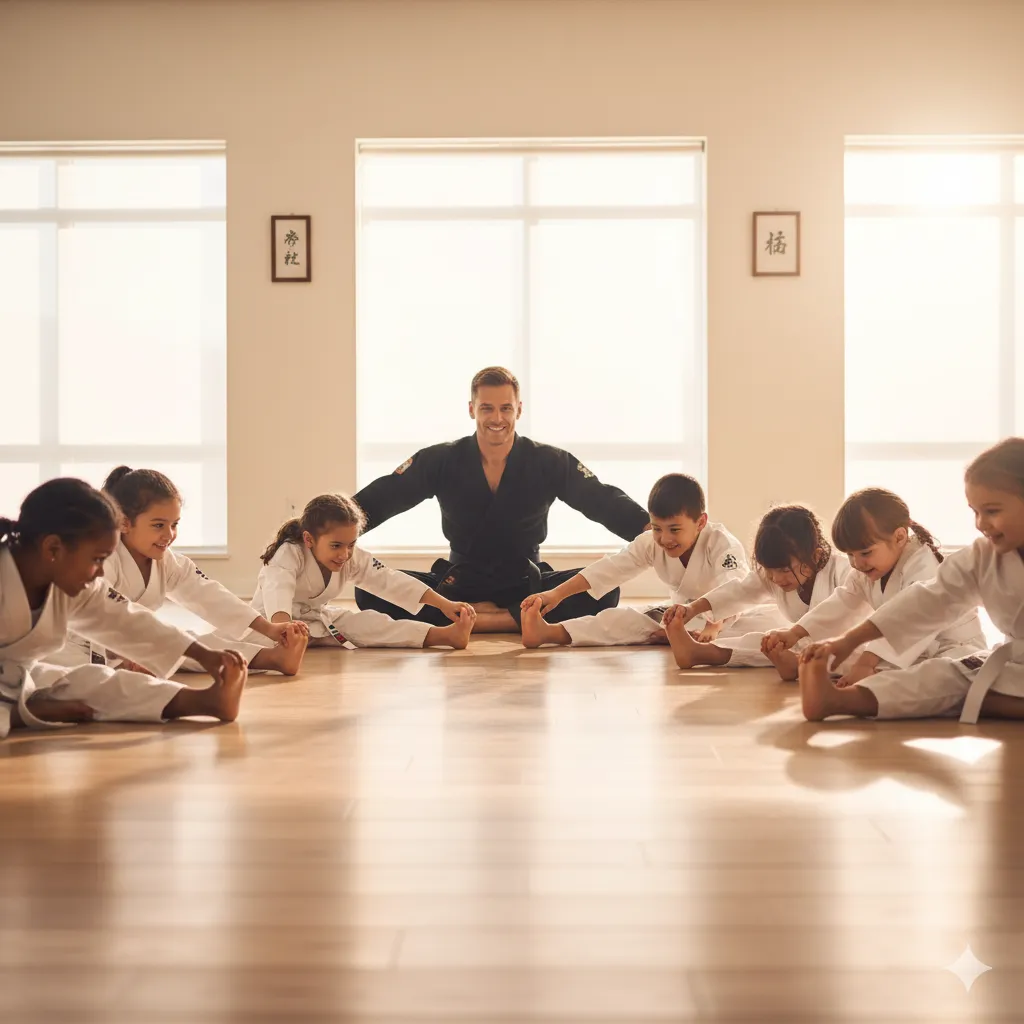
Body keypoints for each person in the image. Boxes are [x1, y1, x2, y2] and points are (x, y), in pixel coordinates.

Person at [353, 366, 651, 632]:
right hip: (460, 583)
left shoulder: (549, 461)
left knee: (606, 589)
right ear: (472, 409)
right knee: (368, 591)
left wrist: (648, 528)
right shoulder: (441, 459)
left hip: (524, 583)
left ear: (519, 410)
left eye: (505, 408)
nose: (497, 418)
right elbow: (386, 495)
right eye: (487, 408)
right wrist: (323, 528)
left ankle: (472, 620)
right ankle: (515, 620)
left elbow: (601, 500)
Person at [0, 478, 246, 739]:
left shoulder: (67, 581)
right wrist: (22, 715)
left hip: (20, 680)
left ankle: (202, 701)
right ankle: (18, 712)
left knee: (96, 682)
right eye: (97, 559)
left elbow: (126, 619)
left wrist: (202, 654)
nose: (102, 572)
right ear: (53, 548)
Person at [799, 439, 1024, 723]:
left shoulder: (921, 560)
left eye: (992, 511)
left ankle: (990, 702)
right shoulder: (983, 557)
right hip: (1012, 668)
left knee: (966, 684)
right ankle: (839, 700)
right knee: (945, 674)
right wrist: (849, 640)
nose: (980, 523)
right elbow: (927, 600)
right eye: (975, 512)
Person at [54, 467, 309, 675]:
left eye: (174, 524)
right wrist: (125, 657)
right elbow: (104, 615)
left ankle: (272, 658)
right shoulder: (103, 559)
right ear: (124, 523)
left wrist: (269, 629)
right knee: (96, 676)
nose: (169, 535)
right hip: (77, 648)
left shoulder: (168, 562)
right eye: (158, 525)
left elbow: (210, 596)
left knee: (185, 640)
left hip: (134, 642)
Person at [519, 473, 783, 648]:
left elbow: (736, 588)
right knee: (622, 619)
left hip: (728, 619)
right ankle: (549, 633)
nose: (664, 538)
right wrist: (555, 594)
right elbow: (611, 568)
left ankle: (686, 637)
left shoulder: (721, 544)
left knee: (769, 625)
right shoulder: (651, 542)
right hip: (683, 615)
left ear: (700, 522)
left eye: (674, 529)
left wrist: (714, 626)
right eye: (657, 528)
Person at [761, 487, 985, 687]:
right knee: (844, 654)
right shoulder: (868, 570)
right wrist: (796, 633)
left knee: (932, 676)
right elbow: (843, 602)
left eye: (865, 553)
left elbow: (909, 620)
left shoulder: (923, 567)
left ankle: (854, 696)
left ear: (899, 537)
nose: (857, 563)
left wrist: (869, 662)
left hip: (954, 648)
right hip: (905, 651)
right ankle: (799, 664)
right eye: (850, 555)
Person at [250, 493, 476, 649]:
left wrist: (444, 604)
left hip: (315, 621)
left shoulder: (349, 555)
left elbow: (389, 580)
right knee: (258, 643)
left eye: (351, 544)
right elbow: (277, 591)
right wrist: (284, 632)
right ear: (309, 539)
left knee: (371, 624)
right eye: (336, 546)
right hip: (272, 626)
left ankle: (445, 635)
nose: (345, 554)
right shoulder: (288, 554)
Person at [661, 504, 851, 677]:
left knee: (855, 654)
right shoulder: (773, 576)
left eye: (784, 570)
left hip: (847, 644)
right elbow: (739, 591)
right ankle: (697, 653)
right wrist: (693, 609)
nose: (776, 578)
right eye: (769, 570)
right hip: (805, 642)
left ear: (815, 556)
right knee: (760, 641)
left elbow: (840, 607)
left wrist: (795, 633)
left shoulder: (842, 571)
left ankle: (798, 665)